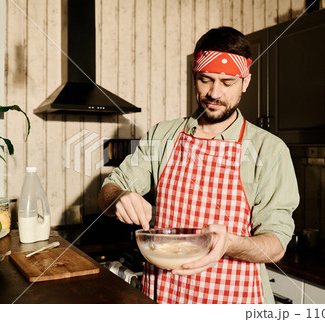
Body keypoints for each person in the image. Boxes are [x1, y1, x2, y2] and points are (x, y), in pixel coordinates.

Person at [98, 26, 299, 304]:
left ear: (246, 81)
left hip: (234, 300)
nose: (215, 93)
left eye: (227, 82)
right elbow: (109, 189)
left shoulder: (271, 150)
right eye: (206, 79)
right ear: (194, 76)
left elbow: (275, 245)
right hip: (163, 298)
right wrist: (119, 197)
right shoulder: (163, 135)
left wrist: (229, 243)